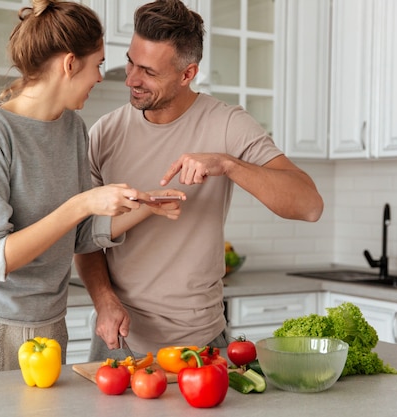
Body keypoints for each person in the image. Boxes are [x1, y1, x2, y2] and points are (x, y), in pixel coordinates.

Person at [0, 0, 184, 377]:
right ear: (70, 64)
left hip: (49, 325)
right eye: (98, 64)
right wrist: (83, 203)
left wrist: (147, 206)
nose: (102, 77)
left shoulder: (72, 129)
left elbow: (81, 236)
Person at [74, 0, 324, 360]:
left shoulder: (227, 124)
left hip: (202, 342)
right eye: (130, 61)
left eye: (147, 71)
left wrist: (228, 163)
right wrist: (105, 300)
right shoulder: (104, 133)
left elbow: (310, 205)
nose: (131, 79)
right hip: (119, 342)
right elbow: (85, 237)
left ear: (187, 73)